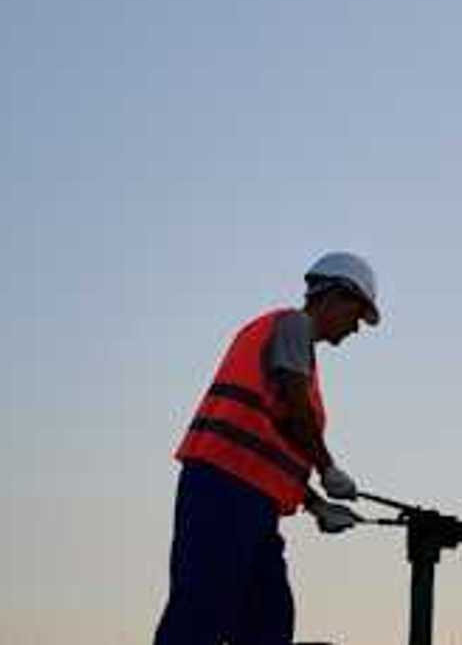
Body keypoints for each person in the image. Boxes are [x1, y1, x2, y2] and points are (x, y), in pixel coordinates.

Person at [154, 252, 382, 645]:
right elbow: (295, 412)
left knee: (267, 618)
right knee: (202, 609)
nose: (356, 329)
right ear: (335, 297)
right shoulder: (293, 326)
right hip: (224, 487)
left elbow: (276, 439)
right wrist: (327, 467)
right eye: (357, 315)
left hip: (249, 499)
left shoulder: (295, 347)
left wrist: (316, 506)